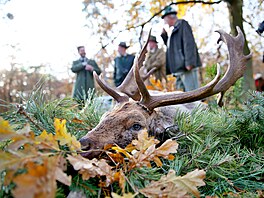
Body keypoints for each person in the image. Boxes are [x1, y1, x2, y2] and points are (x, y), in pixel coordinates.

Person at [161, 6, 202, 92]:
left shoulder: (182, 24)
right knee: (181, 97)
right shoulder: (173, 30)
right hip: (178, 70)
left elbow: (189, 43)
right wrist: (164, 36)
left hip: (186, 67)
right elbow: (172, 49)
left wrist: (189, 62)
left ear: (169, 17)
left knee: (193, 94)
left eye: (164, 19)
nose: (164, 22)